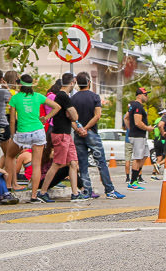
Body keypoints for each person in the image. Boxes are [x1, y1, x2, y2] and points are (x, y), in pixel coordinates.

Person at [71, 72, 124, 200]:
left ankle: (87, 191)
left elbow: (70, 118)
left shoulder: (73, 99)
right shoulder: (95, 97)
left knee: (83, 164)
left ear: (78, 84)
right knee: (101, 163)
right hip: (92, 133)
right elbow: (97, 115)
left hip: (78, 134)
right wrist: (87, 128)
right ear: (89, 82)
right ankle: (109, 190)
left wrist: (79, 129)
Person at [9, 74, 60, 203]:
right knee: (37, 165)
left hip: (22, 133)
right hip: (38, 131)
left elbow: (12, 121)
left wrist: (12, 135)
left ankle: (9, 186)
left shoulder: (15, 98)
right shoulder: (38, 96)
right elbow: (57, 107)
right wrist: (46, 118)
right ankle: (34, 196)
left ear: (20, 84)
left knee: (9, 156)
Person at [38, 74, 83, 202]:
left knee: (73, 163)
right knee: (57, 163)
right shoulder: (63, 96)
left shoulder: (62, 96)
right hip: (61, 134)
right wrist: (72, 114)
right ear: (72, 82)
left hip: (66, 134)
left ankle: (75, 193)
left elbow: (72, 116)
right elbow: (74, 116)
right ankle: (43, 192)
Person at [126, 87, 154, 190]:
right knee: (137, 158)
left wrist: (130, 128)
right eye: (145, 94)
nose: (146, 96)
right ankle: (133, 182)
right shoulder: (137, 106)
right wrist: (148, 128)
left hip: (139, 135)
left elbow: (126, 118)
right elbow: (137, 122)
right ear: (139, 95)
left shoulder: (133, 105)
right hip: (138, 136)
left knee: (145, 155)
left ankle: (136, 177)